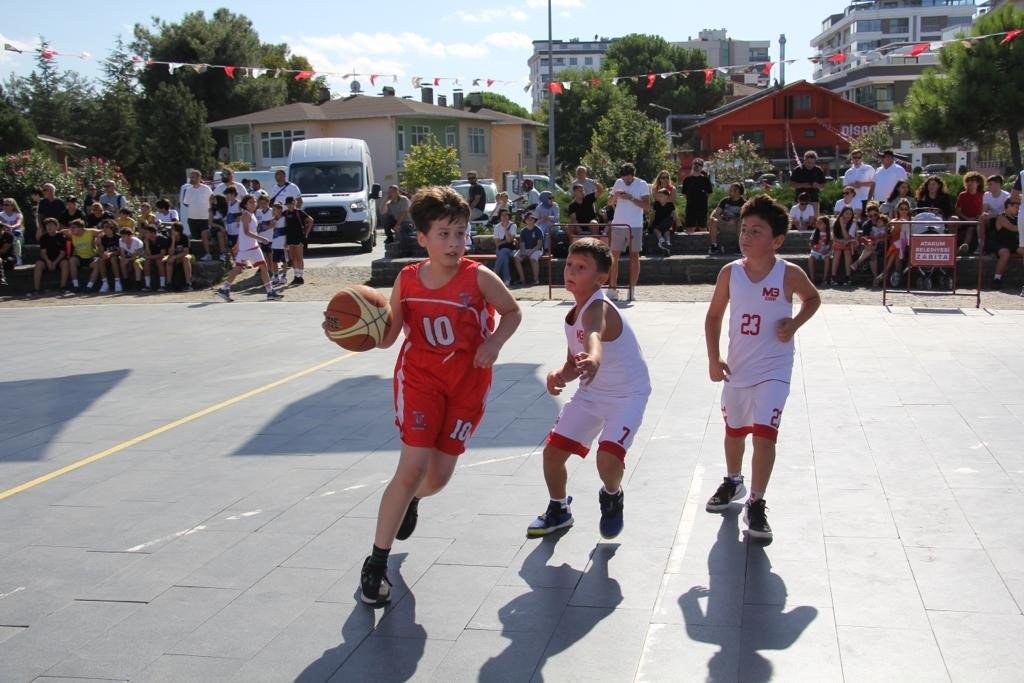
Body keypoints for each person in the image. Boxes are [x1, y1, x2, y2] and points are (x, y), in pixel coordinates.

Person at [354, 185, 521, 606]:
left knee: (437, 479)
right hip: (420, 380)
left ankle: (412, 501)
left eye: (460, 233)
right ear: (423, 237)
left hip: (468, 383)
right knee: (410, 469)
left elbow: (513, 311)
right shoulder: (407, 280)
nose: (453, 242)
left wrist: (495, 342)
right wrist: (356, 332)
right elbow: (388, 339)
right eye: (444, 234)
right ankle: (375, 564)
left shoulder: (479, 277)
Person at [703, 195, 821, 541]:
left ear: (777, 241)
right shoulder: (730, 273)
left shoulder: (789, 274)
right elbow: (713, 316)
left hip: (774, 367)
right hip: (738, 368)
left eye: (757, 230)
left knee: (765, 436)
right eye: (744, 229)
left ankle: (757, 502)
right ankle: (733, 481)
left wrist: (795, 322)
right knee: (734, 432)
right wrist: (714, 358)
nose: (747, 236)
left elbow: (813, 298)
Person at [526, 237, 651, 539]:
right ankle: (559, 509)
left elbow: (593, 336)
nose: (571, 271)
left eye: (581, 267)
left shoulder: (599, 308)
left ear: (601, 278)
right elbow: (574, 360)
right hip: (592, 393)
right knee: (553, 453)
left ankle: (612, 494)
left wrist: (594, 359)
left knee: (607, 459)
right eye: (569, 264)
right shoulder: (572, 315)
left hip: (627, 395)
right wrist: (561, 374)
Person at [215, 194, 284, 302]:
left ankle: (270, 292)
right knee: (238, 268)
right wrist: (261, 238)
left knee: (263, 266)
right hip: (247, 248)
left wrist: (237, 244)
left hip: (253, 246)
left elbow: (241, 232)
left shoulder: (252, 214)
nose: (254, 204)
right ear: (245, 204)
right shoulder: (246, 215)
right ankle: (224, 289)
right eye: (251, 202)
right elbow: (247, 232)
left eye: (255, 202)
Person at [608, 162, 649, 300]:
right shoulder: (618, 182)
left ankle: (631, 290)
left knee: (634, 257)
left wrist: (630, 198)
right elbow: (610, 203)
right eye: (624, 178)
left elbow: (646, 206)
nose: (625, 181)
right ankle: (612, 289)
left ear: (633, 175)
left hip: (635, 225)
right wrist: (616, 196)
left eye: (628, 178)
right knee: (613, 257)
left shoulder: (642, 184)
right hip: (618, 223)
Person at [30, 218, 69, 296]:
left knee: (65, 263)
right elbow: (43, 252)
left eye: (51, 225)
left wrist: (54, 263)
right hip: (47, 259)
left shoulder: (61, 236)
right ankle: (36, 289)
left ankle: (63, 287)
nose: (49, 227)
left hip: (58, 260)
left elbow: (62, 253)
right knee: (38, 264)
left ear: (56, 226)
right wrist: (48, 262)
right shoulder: (43, 237)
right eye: (47, 225)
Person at [64, 219, 102, 293]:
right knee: (72, 260)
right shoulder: (71, 233)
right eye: (71, 227)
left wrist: (98, 237)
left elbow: (102, 231)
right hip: (79, 257)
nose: (71, 229)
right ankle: (76, 286)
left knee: (97, 263)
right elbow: (59, 231)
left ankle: (89, 286)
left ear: (81, 228)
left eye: (73, 227)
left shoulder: (90, 232)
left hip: (91, 257)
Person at [990, 196, 1019, 289]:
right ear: (1008, 206)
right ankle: (997, 279)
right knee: (1005, 253)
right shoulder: (1001, 217)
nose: (1018, 209)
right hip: (1002, 245)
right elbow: (1013, 228)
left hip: (1016, 245)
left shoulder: (1018, 218)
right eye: (1016, 206)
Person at [283, 196, 313, 285]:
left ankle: (301, 276)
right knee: (293, 258)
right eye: (288, 204)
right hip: (290, 238)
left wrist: (306, 233)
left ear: (295, 203)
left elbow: (310, 220)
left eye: (292, 204)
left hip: (299, 237)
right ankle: (296, 276)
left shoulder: (299, 212)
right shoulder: (285, 213)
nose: (290, 206)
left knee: (299, 257)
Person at [710, 183, 746, 254]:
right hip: (724, 222)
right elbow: (717, 213)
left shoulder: (744, 203)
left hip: (736, 225)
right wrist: (717, 218)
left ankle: (739, 246)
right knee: (714, 220)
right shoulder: (725, 201)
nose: (729, 191)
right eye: (730, 189)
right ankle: (714, 246)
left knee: (741, 221)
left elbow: (744, 216)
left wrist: (734, 220)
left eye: (732, 190)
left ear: (738, 192)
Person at [954, 171, 984, 254]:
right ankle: (951, 245)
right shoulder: (962, 195)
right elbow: (958, 211)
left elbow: (985, 210)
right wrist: (967, 218)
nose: (969, 183)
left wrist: (977, 217)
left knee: (970, 229)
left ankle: (964, 246)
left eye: (972, 181)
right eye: (968, 181)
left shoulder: (982, 195)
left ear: (978, 183)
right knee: (954, 221)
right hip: (964, 219)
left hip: (977, 220)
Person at [788, 151, 827, 215]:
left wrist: (817, 185)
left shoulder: (818, 170)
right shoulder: (798, 170)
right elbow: (791, 185)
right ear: (804, 160)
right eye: (809, 163)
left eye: (813, 163)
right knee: (796, 219)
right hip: (799, 200)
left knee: (814, 221)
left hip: (813, 200)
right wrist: (802, 185)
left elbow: (824, 186)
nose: (810, 165)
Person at [180, 169, 213, 240]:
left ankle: (205, 251)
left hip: (204, 218)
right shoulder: (188, 189)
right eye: (191, 177)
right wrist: (195, 208)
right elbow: (186, 203)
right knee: (195, 239)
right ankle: (197, 251)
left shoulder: (206, 188)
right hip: (192, 219)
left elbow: (212, 200)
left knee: (205, 238)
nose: (191, 179)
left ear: (199, 178)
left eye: (193, 177)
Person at [828, 206, 857, 287]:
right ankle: (833, 277)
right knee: (837, 252)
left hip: (849, 243)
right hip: (839, 242)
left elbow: (848, 237)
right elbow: (834, 237)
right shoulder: (835, 222)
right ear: (842, 214)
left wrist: (842, 226)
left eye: (850, 214)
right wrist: (841, 241)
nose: (848, 216)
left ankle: (848, 277)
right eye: (846, 213)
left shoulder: (853, 223)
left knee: (847, 252)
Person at [681, 158, 713, 233]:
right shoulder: (687, 180)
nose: (697, 165)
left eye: (699, 164)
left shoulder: (705, 180)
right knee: (690, 228)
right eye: (695, 163)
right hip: (690, 208)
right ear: (692, 165)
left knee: (703, 228)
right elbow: (685, 194)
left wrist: (702, 201)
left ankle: (705, 245)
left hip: (702, 208)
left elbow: (709, 193)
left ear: (702, 167)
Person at [514, 212, 544, 285]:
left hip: (537, 249)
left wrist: (531, 251)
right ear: (525, 220)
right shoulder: (523, 231)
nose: (530, 220)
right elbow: (522, 244)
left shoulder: (538, 230)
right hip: (526, 249)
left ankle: (536, 280)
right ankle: (522, 279)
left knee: (533, 259)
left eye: (532, 218)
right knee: (516, 258)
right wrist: (524, 253)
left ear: (534, 220)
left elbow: (539, 245)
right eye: (528, 219)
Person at [95, 218, 123, 293]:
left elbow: (120, 251)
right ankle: (105, 283)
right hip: (106, 256)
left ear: (112, 228)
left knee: (113, 259)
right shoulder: (103, 238)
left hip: (117, 256)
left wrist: (111, 253)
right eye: (103, 227)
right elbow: (100, 251)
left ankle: (117, 282)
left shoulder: (118, 237)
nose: (104, 229)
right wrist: (99, 243)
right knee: (100, 260)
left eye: (107, 227)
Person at [164, 222, 194, 291]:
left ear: (178, 230)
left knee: (185, 259)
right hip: (175, 255)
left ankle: (188, 283)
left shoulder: (184, 237)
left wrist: (175, 257)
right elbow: (170, 253)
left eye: (173, 229)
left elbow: (186, 252)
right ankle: (169, 283)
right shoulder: (169, 239)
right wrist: (173, 240)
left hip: (187, 255)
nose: (172, 231)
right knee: (169, 260)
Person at [139, 224, 169, 292]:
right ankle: (147, 285)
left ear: (153, 233)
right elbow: (148, 253)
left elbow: (162, 254)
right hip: (152, 256)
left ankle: (162, 285)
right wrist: (146, 244)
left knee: (159, 261)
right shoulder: (146, 240)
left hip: (165, 256)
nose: (144, 234)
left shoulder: (162, 239)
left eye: (146, 233)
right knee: (146, 262)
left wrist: (149, 257)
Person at [492, 208, 518, 286]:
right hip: (500, 249)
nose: (505, 217)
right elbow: (497, 244)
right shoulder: (497, 227)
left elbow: (510, 241)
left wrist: (505, 229)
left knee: (503, 253)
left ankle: (494, 275)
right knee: (504, 257)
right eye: (503, 215)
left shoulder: (513, 225)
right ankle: (507, 280)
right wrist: (505, 241)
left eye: (506, 215)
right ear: (500, 216)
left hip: (510, 249)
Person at [648, 187, 677, 255]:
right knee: (660, 230)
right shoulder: (656, 203)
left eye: (661, 196)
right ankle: (665, 244)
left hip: (666, 222)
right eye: (658, 196)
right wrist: (650, 223)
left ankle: (663, 243)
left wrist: (676, 225)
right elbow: (653, 214)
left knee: (665, 230)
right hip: (658, 222)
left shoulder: (670, 204)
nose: (659, 197)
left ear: (667, 196)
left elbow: (674, 215)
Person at [201, 194, 228, 262]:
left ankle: (222, 254)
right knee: (204, 233)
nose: (213, 201)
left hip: (225, 228)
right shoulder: (212, 210)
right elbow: (210, 222)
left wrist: (222, 228)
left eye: (214, 199)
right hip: (215, 227)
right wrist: (220, 226)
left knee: (220, 233)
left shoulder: (226, 208)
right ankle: (208, 254)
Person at [807, 215, 831, 286]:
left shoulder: (829, 233)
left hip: (825, 252)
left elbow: (831, 244)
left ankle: (825, 278)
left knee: (827, 259)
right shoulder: (815, 233)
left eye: (821, 223)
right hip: (816, 251)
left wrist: (827, 251)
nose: (819, 224)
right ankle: (812, 278)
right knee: (810, 259)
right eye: (818, 223)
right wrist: (814, 249)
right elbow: (811, 243)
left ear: (826, 225)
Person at [0, 198, 24, 266]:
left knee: (16, 240)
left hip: (16, 233)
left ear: (12, 206)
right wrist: (7, 227)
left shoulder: (18, 214)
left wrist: (12, 227)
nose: (4, 206)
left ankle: (18, 258)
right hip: (4, 233)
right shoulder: (0, 214)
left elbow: (19, 223)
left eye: (6, 205)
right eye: (3, 204)